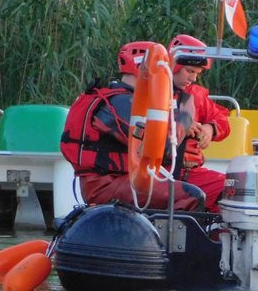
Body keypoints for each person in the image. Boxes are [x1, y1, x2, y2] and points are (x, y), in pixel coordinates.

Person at [61, 41, 205, 211]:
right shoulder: (121, 103)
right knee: (192, 196)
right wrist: (185, 116)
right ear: (143, 68)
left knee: (180, 188)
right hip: (107, 185)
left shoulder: (123, 100)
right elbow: (162, 150)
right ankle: (169, 237)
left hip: (118, 180)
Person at [167, 34, 231, 212]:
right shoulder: (152, 92)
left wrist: (211, 128)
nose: (193, 78)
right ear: (174, 64)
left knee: (236, 192)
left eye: (197, 73)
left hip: (191, 172)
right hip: (161, 173)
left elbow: (223, 120)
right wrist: (180, 126)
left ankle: (220, 238)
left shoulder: (196, 95)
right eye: (189, 71)